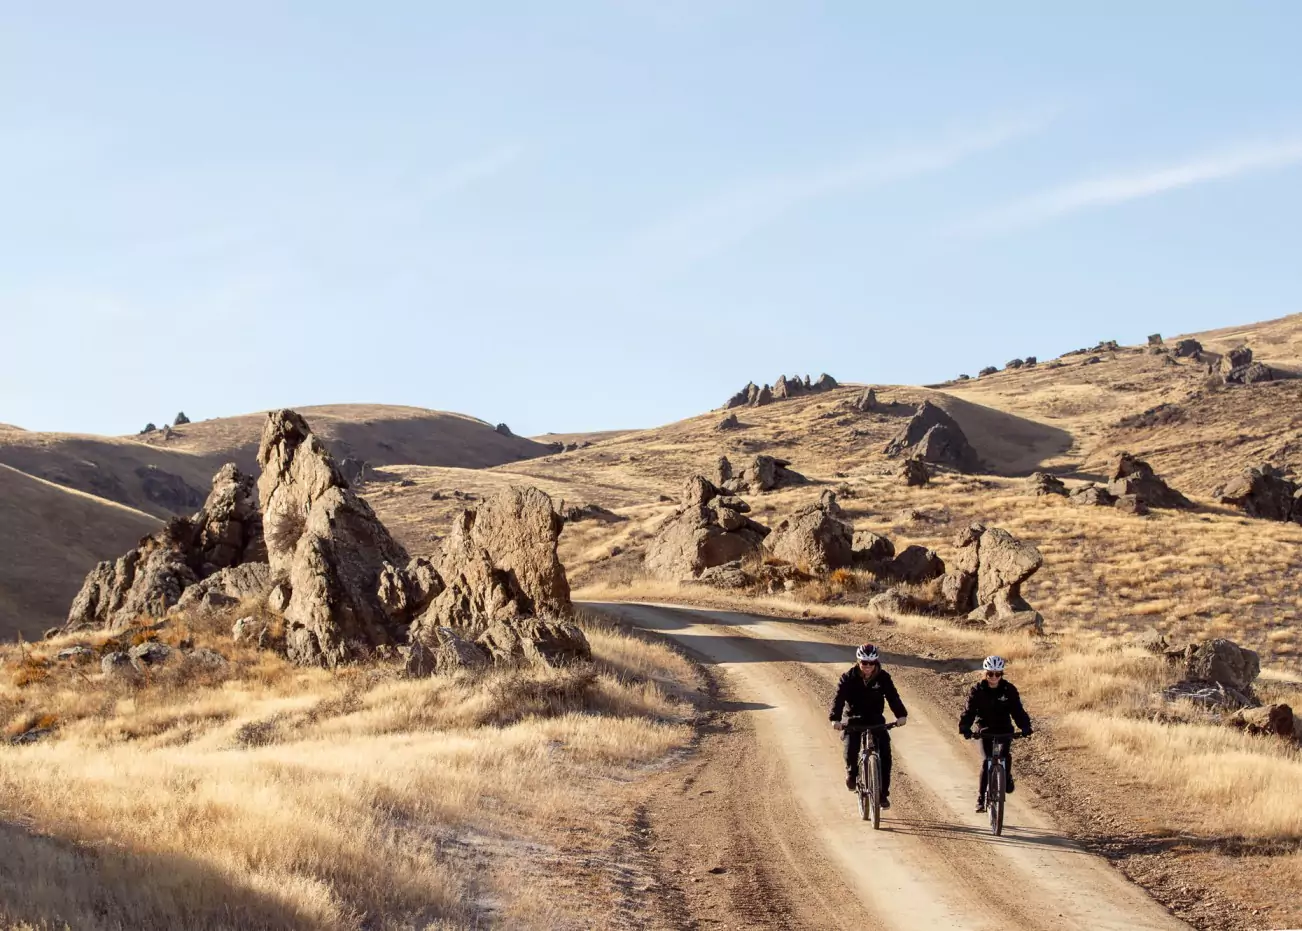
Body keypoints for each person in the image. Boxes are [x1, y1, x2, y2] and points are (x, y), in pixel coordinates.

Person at [829, 643, 907, 808]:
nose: (868, 666)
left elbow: (893, 697)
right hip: (853, 719)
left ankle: (882, 795)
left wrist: (901, 715)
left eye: (871, 663)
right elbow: (839, 699)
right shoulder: (848, 677)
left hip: (875, 719)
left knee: (885, 755)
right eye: (864, 662)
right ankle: (852, 774)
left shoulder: (883, 678)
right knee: (851, 750)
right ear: (858, 661)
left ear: (876, 662)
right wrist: (835, 719)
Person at [959, 655, 1033, 813]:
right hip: (985, 730)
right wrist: (965, 726)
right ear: (985, 674)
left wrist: (1025, 726)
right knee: (987, 761)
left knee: (1005, 757)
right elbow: (969, 711)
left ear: (1001, 674)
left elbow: (1017, 711)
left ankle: (1006, 777)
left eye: (997, 674)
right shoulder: (977, 690)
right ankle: (980, 798)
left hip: (1004, 729)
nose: (993, 677)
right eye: (990, 674)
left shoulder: (1009, 690)